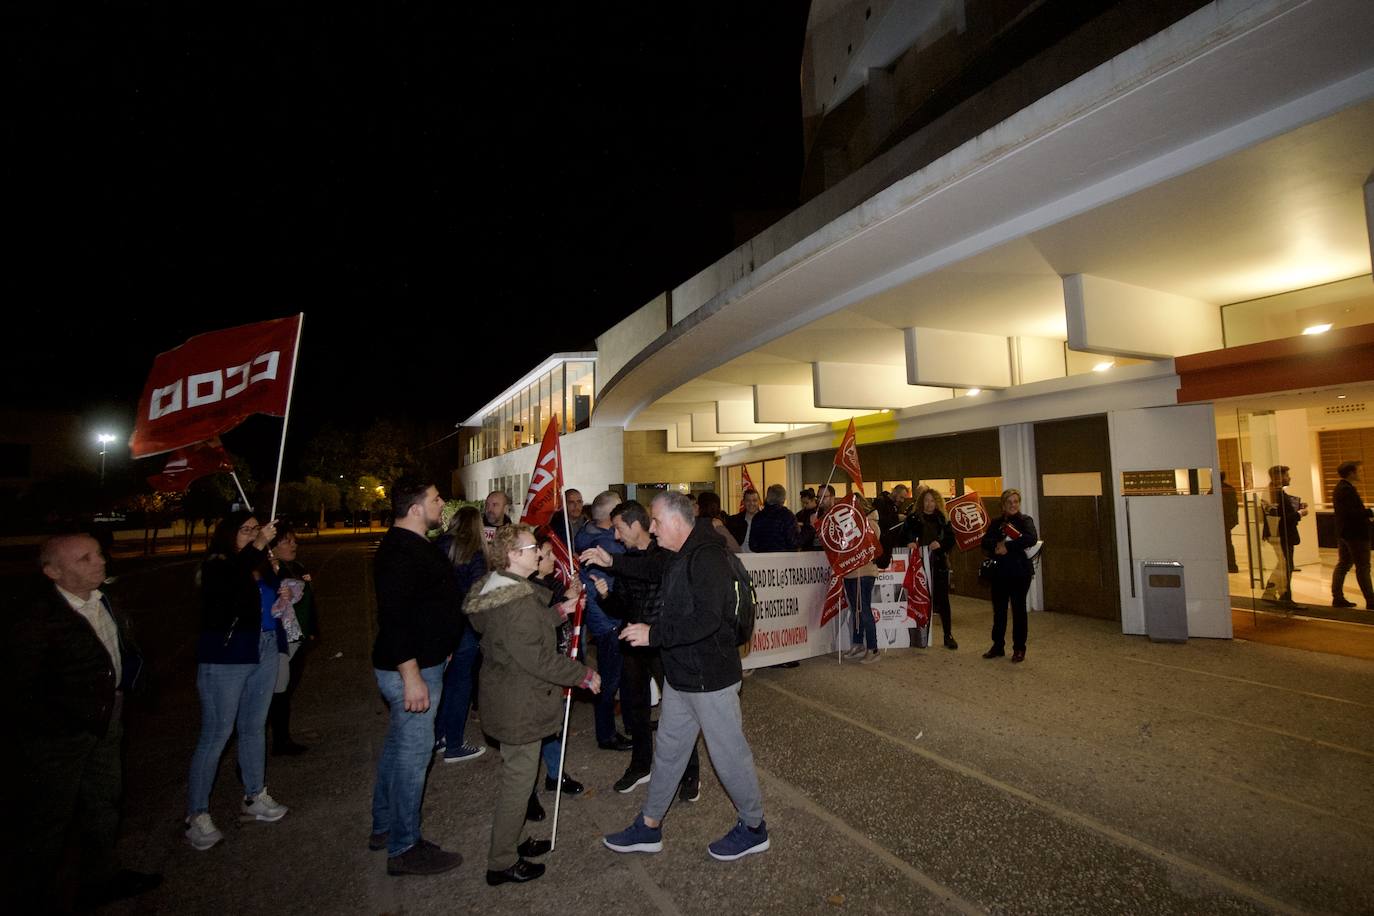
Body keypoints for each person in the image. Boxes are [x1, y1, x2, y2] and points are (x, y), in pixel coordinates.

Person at [594, 492, 770, 862]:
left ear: (677, 521)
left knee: (728, 756)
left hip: (710, 679)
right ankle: (650, 825)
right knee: (670, 753)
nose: (652, 529)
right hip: (683, 676)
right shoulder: (682, 554)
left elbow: (708, 620)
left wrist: (653, 635)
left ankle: (754, 827)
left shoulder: (707, 558)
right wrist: (612, 562)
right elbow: (650, 568)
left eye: (656, 521)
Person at [9, 534, 161, 909]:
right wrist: (58, 724)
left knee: (104, 802)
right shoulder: (38, 619)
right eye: (85, 558)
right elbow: (19, 687)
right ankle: (33, 896)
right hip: (60, 735)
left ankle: (101, 878)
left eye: (98, 554)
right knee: (49, 820)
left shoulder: (104, 599)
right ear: (52, 572)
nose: (100, 562)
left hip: (108, 720)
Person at [465, 524, 602, 886]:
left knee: (520, 779)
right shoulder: (517, 601)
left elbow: (526, 627)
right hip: (519, 703)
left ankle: (512, 841)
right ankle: (501, 861)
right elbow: (537, 658)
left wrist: (561, 610)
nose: (539, 554)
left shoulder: (502, 588)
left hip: (510, 696)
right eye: (531, 549)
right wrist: (582, 675)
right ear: (513, 555)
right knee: (518, 783)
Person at [368, 479, 464, 876]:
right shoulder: (398, 552)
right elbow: (393, 617)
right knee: (413, 757)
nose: (442, 504)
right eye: (436, 499)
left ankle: (384, 826)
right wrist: (411, 676)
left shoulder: (415, 544)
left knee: (397, 749)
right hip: (411, 669)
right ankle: (404, 847)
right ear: (414, 508)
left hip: (425, 663)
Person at [185, 511, 290, 852]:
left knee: (254, 726)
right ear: (229, 533)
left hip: (264, 645)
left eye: (256, 530)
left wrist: (280, 584)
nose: (253, 535)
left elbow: (271, 595)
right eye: (245, 530)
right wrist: (257, 548)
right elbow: (226, 588)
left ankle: (254, 794)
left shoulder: (256, 561)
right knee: (217, 733)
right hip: (227, 654)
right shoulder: (219, 563)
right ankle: (197, 814)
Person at [594, 501, 702, 801]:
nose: (615, 536)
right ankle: (641, 765)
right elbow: (621, 605)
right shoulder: (626, 560)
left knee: (679, 709)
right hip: (632, 642)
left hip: (663, 642)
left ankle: (690, 770)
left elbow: (653, 571)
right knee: (635, 710)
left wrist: (613, 563)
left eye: (618, 528)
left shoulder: (664, 552)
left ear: (635, 525)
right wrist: (604, 595)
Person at [525, 532, 586, 824]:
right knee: (534, 729)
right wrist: (564, 604)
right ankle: (526, 792)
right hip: (538, 671)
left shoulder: (548, 584)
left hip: (556, 663)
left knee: (554, 723)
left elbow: (559, 605)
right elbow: (538, 626)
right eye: (547, 555)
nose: (551, 559)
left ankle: (555, 773)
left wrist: (569, 596)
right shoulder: (527, 591)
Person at [574, 491, 631, 752]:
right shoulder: (607, 545)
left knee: (616, 676)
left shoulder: (587, 534)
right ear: (611, 517)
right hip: (608, 620)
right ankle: (606, 734)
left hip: (602, 618)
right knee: (609, 680)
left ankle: (620, 725)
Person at [433, 506, 487, 763]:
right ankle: (454, 742)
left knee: (440, 682)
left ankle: (439, 736)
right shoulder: (474, 552)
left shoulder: (438, 546)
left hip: (441, 623)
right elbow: (477, 593)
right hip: (465, 625)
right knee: (460, 685)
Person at [267, 525, 315, 756]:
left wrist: (313, 630)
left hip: (299, 638)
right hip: (281, 641)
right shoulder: (268, 573)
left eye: (294, 541)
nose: (293, 545)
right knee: (278, 691)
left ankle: (281, 738)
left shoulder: (297, 567)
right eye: (287, 541)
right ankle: (278, 740)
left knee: (288, 689)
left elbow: (308, 603)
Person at [981, 489, 1038, 663]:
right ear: (1003, 505)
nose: (1013, 505)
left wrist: (1008, 547)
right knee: (999, 611)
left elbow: (1031, 538)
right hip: (999, 573)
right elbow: (985, 542)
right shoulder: (997, 522)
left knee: (1018, 610)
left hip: (1020, 572)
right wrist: (996, 545)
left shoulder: (1025, 521)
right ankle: (997, 645)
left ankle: (1019, 648)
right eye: (1009, 502)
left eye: (1016, 502)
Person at [904, 488, 958, 649]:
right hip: (918, 566)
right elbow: (903, 535)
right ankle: (920, 635)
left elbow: (951, 539)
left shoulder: (943, 519)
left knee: (943, 601)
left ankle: (948, 635)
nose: (929, 504)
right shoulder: (912, 518)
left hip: (938, 564)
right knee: (919, 598)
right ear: (922, 502)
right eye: (926, 500)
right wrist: (909, 542)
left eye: (933, 501)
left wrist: (940, 545)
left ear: (937, 503)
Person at [838, 496, 882, 664]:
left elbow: (869, 547)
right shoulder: (848, 525)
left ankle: (873, 648)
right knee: (856, 611)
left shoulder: (871, 525)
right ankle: (858, 644)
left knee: (863, 610)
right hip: (850, 573)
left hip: (864, 573)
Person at [1331, 460, 1374, 610]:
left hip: (1345, 533)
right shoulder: (1346, 489)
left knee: (1344, 564)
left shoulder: (1342, 488)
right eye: (1359, 471)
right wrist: (1370, 512)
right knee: (1363, 567)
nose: (1361, 474)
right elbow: (1352, 513)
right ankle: (1371, 600)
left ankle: (1338, 598)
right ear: (1351, 473)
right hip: (1355, 535)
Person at [1262, 465, 1305, 604]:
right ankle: (1284, 595)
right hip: (1281, 535)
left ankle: (1273, 593)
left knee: (1283, 564)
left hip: (1278, 534)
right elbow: (1283, 518)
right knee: (1286, 565)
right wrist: (1299, 513)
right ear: (1278, 477)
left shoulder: (1272, 492)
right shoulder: (1276, 494)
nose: (1289, 478)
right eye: (1286, 475)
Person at [748, 484, 798, 553]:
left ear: (768, 497)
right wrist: (808, 530)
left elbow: (752, 545)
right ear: (783, 499)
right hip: (784, 559)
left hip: (763, 560)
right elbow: (793, 543)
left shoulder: (758, 517)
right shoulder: (787, 516)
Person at [1220, 473, 1240, 573]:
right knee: (1228, 543)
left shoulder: (1218, 490)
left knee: (1226, 543)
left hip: (1223, 521)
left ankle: (1230, 564)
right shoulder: (1229, 489)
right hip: (1228, 520)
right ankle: (1231, 564)